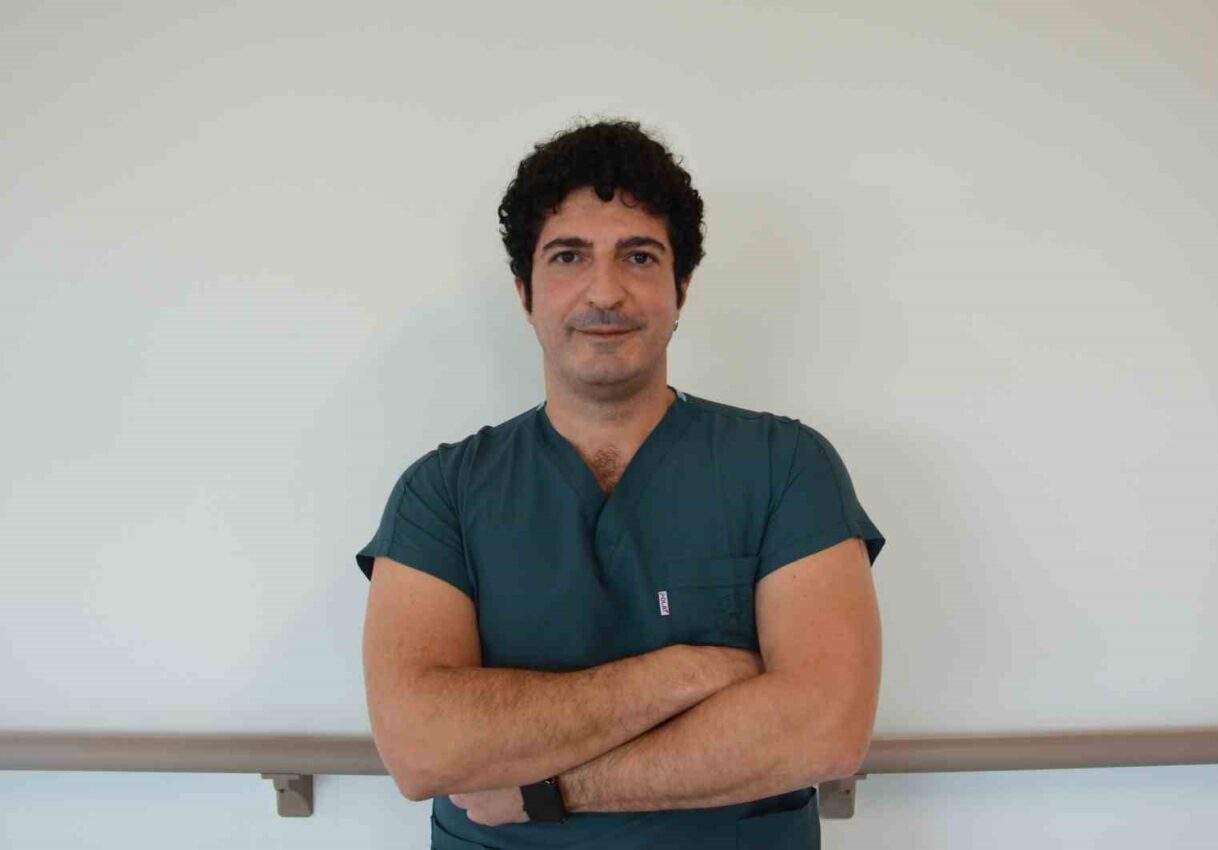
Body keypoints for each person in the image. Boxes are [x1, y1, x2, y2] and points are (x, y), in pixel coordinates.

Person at [355, 117, 886, 849]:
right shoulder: (441, 492)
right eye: (569, 256)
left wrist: (548, 792)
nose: (604, 291)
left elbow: (825, 728)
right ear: (525, 291)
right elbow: (420, 746)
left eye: (638, 256)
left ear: (681, 288)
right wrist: (682, 675)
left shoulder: (786, 466)